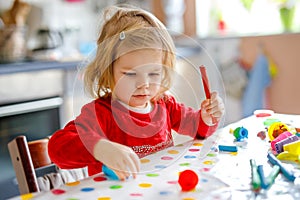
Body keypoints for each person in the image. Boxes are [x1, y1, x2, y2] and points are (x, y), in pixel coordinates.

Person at [48, 5, 225, 181]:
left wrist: (207, 117)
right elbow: (56, 148)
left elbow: (198, 128)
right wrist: (100, 148)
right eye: (131, 74)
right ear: (108, 70)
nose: (144, 84)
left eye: (154, 73)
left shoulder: (164, 104)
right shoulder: (101, 114)